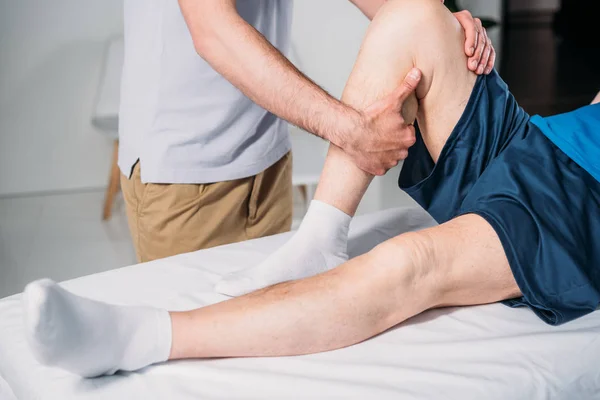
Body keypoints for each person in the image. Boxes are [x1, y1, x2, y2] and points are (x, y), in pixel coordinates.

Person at [22, 0, 600, 378]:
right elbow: (214, 33)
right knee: (414, 14)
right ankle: (322, 233)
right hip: (538, 142)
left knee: (410, 259)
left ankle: (138, 335)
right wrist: (443, 27)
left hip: (582, 197)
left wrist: (455, 28)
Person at [118, 0, 494, 262]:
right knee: (204, 356)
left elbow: (390, 8)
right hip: (186, 171)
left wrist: (437, 25)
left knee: (269, 326)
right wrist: (350, 129)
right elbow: (213, 30)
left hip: (266, 157)